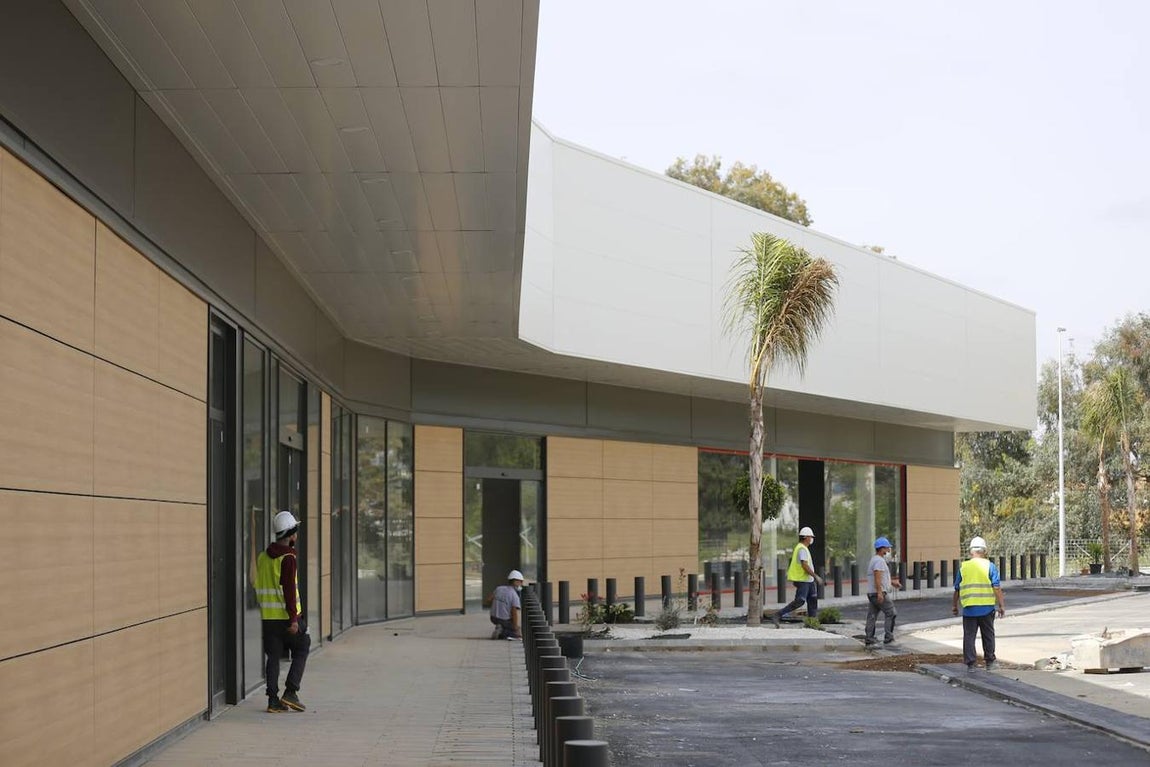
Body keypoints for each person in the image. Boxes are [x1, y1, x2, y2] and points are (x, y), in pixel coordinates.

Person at [256, 511, 310, 713]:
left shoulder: (263, 557)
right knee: (303, 645)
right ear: (292, 534)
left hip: (268, 618)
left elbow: (258, 585)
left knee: (273, 656)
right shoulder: (288, 558)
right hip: (285, 618)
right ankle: (291, 692)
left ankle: (272, 701)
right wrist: (294, 619)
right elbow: (288, 590)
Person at [952, 536, 1006, 671]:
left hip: (969, 609)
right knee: (988, 635)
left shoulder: (963, 567)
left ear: (971, 551)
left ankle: (971, 664)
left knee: (969, 636)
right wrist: (1001, 605)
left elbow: (957, 589)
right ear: (984, 551)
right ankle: (990, 662)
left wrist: (954, 606)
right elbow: (997, 587)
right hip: (987, 608)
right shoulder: (990, 566)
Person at [770, 527, 823, 626]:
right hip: (803, 580)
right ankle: (777, 615)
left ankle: (813, 623)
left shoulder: (804, 548)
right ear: (806, 537)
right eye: (811, 537)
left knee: (813, 600)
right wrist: (816, 576)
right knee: (800, 601)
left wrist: (813, 578)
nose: (812, 539)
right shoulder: (802, 549)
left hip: (808, 580)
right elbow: (804, 565)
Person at [863, 536, 901, 646]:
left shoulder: (875, 560)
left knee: (872, 615)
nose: (889, 549)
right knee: (891, 613)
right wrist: (880, 592)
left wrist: (893, 583)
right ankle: (888, 637)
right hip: (878, 593)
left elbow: (881, 577)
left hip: (872, 593)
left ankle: (869, 638)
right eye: (887, 547)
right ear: (882, 548)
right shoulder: (879, 561)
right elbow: (877, 577)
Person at [490, 569, 524, 640]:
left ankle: (500, 627)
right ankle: (502, 632)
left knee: (507, 625)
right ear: (516, 582)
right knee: (516, 633)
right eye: (521, 582)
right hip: (504, 620)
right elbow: (514, 613)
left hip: (493, 618)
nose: (521, 584)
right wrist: (515, 627)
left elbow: (489, 599)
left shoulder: (499, 588)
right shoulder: (514, 595)